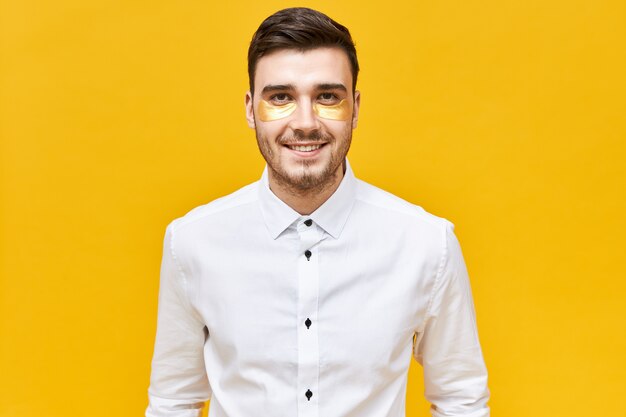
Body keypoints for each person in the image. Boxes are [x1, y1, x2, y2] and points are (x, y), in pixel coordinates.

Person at [146, 7, 489, 417]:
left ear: (355, 109)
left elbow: (461, 401)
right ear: (250, 110)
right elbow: (174, 402)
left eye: (327, 96)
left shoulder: (427, 243)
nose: (305, 122)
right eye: (280, 98)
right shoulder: (192, 241)